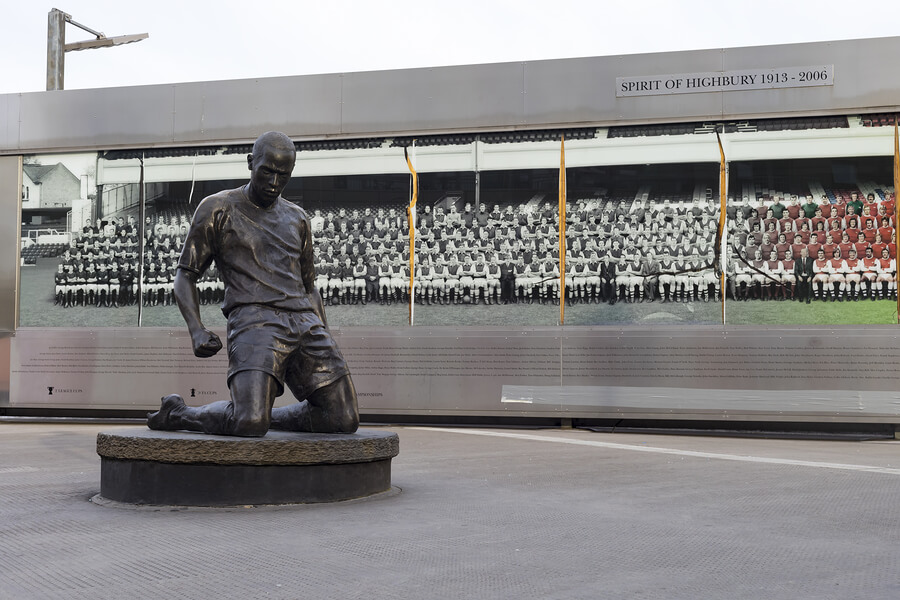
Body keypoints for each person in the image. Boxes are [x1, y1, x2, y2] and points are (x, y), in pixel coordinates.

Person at [148, 132, 359, 437]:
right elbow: (186, 275)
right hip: (254, 321)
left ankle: (264, 415)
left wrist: (322, 331)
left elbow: (308, 286)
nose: (274, 182)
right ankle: (180, 413)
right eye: (267, 171)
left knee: (343, 417)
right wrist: (196, 329)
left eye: (283, 175)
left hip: (304, 322)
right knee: (248, 422)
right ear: (251, 162)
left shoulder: (298, 218)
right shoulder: (217, 208)